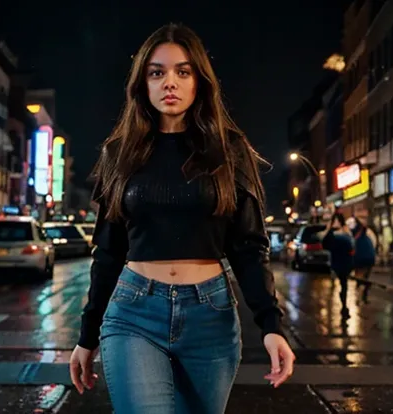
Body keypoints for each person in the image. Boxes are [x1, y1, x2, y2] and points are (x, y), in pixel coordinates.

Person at [68, 24, 294, 414]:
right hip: (134, 313)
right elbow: (107, 252)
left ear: (199, 82)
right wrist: (87, 336)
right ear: (143, 83)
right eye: (157, 72)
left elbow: (248, 246)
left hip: (210, 317)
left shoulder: (230, 150)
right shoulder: (118, 153)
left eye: (182, 72)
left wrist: (271, 324)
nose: (169, 82)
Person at [320, 213, 355, 316]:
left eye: (337, 221)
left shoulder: (346, 232)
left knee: (344, 284)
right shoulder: (331, 233)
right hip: (336, 261)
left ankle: (344, 306)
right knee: (340, 284)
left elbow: (351, 246)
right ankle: (342, 305)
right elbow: (325, 244)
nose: (336, 223)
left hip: (344, 261)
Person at [347, 217, 376, 303]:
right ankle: (364, 296)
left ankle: (359, 297)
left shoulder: (354, 237)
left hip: (360, 259)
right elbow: (373, 243)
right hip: (370, 258)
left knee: (359, 278)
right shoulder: (368, 234)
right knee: (366, 278)